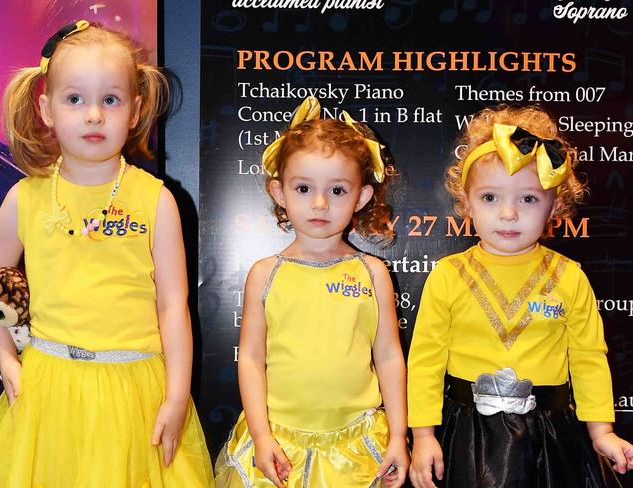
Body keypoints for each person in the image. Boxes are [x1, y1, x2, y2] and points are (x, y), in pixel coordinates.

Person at [0, 20, 213, 487]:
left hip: (137, 395)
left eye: (110, 99)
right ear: (46, 108)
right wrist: (6, 358)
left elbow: (173, 306)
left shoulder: (156, 200)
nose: (93, 115)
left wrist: (176, 394)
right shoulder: (24, 198)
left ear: (135, 109)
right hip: (48, 395)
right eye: (75, 99)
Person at [407, 105, 633, 488]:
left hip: (551, 437)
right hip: (467, 436)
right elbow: (426, 362)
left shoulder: (569, 277)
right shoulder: (448, 275)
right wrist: (424, 436)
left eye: (528, 199)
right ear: (467, 201)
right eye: (491, 198)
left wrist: (601, 431)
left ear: (555, 204)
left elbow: (588, 358)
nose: (508, 214)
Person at [214, 96, 409, 488]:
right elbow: (251, 359)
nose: (319, 204)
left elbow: (389, 356)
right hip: (278, 447)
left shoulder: (373, 273)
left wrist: (400, 435)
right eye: (303, 188)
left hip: (356, 451)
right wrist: (261, 434)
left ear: (362, 197)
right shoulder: (265, 274)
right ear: (279, 192)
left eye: (337, 191)